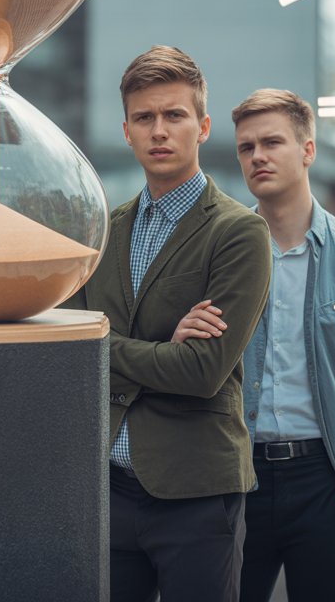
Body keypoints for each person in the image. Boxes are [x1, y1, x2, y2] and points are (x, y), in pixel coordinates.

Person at [66, 45, 271, 602]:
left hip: (197, 493)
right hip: (110, 489)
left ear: (202, 127)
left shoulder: (238, 233)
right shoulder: (102, 232)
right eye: (145, 118)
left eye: (174, 115)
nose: (160, 130)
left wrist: (103, 344)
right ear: (127, 130)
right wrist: (156, 349)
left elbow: (202, 370)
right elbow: (71, 357)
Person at [229, 89, 335, 602]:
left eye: (271, 142)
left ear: (308, 150)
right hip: (237, 476)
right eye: (246, 148)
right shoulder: (220, 253)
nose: (257, 156)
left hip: (327, 478)